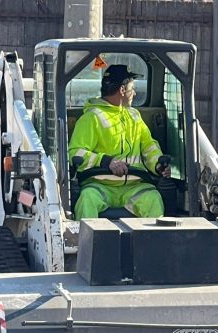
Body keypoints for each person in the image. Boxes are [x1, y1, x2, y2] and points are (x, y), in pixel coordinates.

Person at [68, 64, 171, 219]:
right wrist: (106, 162)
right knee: (86, 199)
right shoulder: (91, 118)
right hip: (99, 187)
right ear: (122, 90)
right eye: (132, 88)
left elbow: (149, 146)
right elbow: (75, 153)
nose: (134, 93)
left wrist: (158, 165)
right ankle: (84, 243)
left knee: (153, 199)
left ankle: (152, 244)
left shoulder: (134, 116)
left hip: (134, 187)